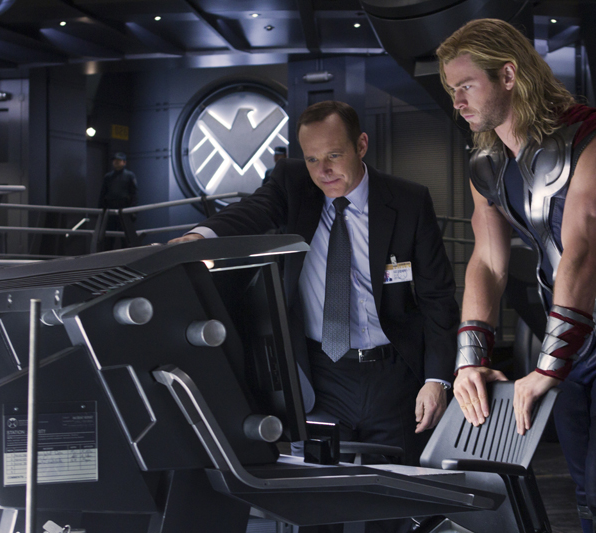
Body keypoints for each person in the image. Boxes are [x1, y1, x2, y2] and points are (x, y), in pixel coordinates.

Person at [437, 19, 596, 533]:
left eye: (466, 85)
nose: (457, 101)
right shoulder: (486, 160)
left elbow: (580, 254)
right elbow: (488, 261)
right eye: (451, 89)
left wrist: (548, 368)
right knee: (586, 497)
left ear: (507, 75)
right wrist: (469, 360)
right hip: (568, 334)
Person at [170, 101, 458, 466]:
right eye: (311, 159)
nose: (323, 171)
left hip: (394, 377)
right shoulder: (293, 185)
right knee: (321, 489)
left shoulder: (408, 201)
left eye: (334, 155)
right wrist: (198, 238)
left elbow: (437, 297)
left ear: (361, 145)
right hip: (321, 376)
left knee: (397, 490)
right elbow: (252, 210)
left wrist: (437, 379)